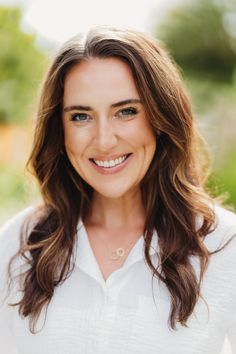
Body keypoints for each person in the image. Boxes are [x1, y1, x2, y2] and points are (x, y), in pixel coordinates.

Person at [0, 25, 236, 354]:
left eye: (126, 112)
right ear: (60, 129)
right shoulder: (15, 246)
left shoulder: (226, 245)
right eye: (81, 116)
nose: (105, 140)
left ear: (161, 117)